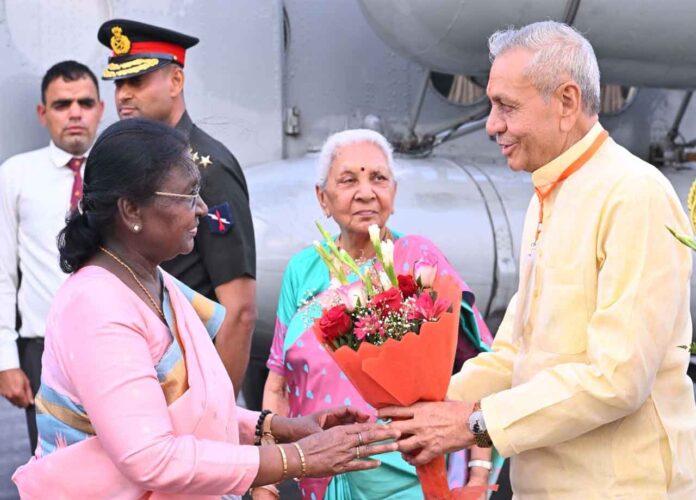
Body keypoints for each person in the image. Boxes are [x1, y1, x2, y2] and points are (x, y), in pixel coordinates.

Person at [380, 21, 696, 498]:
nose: (492, 124)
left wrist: (471, 424)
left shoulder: (634, 195)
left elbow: (618, 379)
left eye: (506, 106)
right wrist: (413, 412)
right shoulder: (547, 196)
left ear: (567, 102)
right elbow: (515, 355)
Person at [12, 118, 399, 499]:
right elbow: (151, 457)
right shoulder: (96, 306)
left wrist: (280, 427)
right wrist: (296, 459)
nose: (201, 208)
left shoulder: (153, 280)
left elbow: (190, 409)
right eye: (187, 196)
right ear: (131, 210)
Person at [260, 129, 498, 500]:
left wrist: (478, 477)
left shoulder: (418, 260)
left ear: (394, 193)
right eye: (348, 180)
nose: (366, 192)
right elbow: (278, 384)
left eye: (378, 178)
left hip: (409, 478)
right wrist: (267, 483)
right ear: (322, 198)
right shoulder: (302, 270)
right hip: (322, 477)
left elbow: (480, 368)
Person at [97, 19, 256, 395]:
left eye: (136, 81)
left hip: (187, 378)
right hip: (138, 369)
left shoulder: (207, 170)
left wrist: (215, 409)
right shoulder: (136, 164)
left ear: (176, 81)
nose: (123, 95)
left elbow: (239, 311)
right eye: (118, 83)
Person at [0, 60, 104, 452]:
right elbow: (2, 273)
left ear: (100, 109)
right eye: (62, 104)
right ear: (43, 113)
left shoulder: (121, 172)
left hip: (115, 339)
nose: (75, 113)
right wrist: (5, 360)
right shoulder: (15, 174)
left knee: (126, 464)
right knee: (56, 467)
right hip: (43, 349)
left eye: (85, 102)